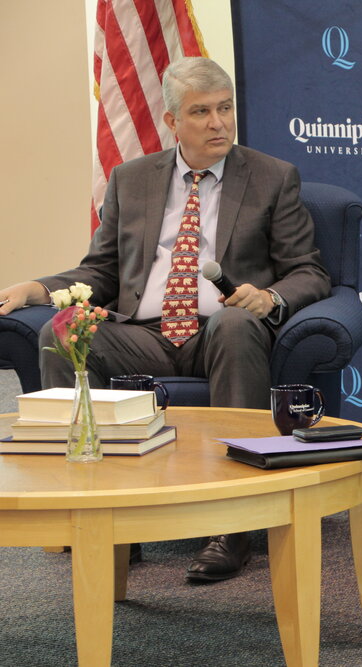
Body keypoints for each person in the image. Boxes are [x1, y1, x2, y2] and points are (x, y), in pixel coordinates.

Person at [0, 57, 331, 582]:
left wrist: (268, 298)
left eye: (225, 108)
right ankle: (97, 512)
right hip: (144, 333)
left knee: (235, 323)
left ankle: (233, 525)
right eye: (201, 112)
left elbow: (309, 272)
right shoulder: (132, 179)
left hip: (225, 329)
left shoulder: (272, 178)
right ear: (173, 121)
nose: (218, 122)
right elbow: (100, 271)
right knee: (61, 333)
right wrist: (39, 288)